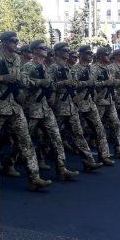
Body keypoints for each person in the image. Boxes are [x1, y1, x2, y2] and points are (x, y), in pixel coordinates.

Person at [0, 31, 52, 191]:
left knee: (26, 141)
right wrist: (1, 78)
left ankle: (34, 178)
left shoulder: (16, 58)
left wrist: (31, 85)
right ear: (3, 41)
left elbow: (21, 79)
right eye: (13, 41)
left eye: (17, 41)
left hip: (14, 105)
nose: (16, 43)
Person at [21, 39, 79, 180]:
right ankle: (10, 163)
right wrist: (40, 82)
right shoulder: (29, 66)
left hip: (45, 108)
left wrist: (53, 89)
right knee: (24, 141)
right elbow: (22, 81)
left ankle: (61, 168)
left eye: (46, 47)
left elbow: (51, 84)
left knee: (56, 138)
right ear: (34, 50)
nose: (45, 49)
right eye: (42, 48)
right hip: (32, 108)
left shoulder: (46, 67)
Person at [47, 42, 103, 172]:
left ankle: (88, 161)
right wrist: (64, 83)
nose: (67, 52)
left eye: (68, 50)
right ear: (58, 52)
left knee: (78, 134)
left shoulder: (67, 67)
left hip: (71, 105)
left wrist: (76, 92)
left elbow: (74, 84)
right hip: (59, 105)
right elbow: (49, 86)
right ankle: (42, 157)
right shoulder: (53, 67)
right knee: (52, 136)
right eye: (65, 50)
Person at [74, 45, 120, 164]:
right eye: (88, 53)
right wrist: (89, 84)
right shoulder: (76, 69)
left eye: (91, 53)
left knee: (99, 129)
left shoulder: (92, 68)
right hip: (78, 104)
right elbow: (73, 85)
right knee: (76, 132)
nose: (90, 55)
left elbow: (96, 83)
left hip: (91, 102)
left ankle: (103, 156)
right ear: (81, 54)